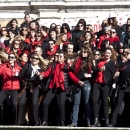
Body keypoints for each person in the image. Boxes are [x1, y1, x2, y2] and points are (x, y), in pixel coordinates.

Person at [37, 51, 84, 126]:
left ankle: (62, 121)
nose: (58, 57)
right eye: (58, 56)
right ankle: (45, 121)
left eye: (60, 56)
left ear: (64, 58)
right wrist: (41, 74)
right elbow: (47, 73)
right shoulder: (53, 65)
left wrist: (78, 81)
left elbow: (71, 76)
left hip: (62, 88)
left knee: (61, 104)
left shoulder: (66, 67)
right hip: (53, 87)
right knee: (45, 103)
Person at [17, 53, 47, 126]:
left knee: (34, 103)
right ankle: (19, 122)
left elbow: (41, 80)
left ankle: (36, 122)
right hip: (27, 86)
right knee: (21, 102)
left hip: (36, 86)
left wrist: (40, 77)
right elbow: (21, 75)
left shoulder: (41, 69)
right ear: (31, 59)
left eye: (36, 58)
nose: (35, 60)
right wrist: (17, 74)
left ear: (39, 60)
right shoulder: (27, 66)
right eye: (33, 58)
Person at [92, 48, 116, 127]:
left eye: (109, 53)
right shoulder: (99, 61)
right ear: (104, 53)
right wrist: (99, 69)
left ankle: (106, 121)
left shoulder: (112, 63)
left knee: (105, 102)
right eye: (106, 53)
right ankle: (96, 120)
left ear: (111, 54)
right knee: (94, 100)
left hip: (105, 84)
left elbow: (112, 75)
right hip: (97, 83)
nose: (107, 54)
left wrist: (113, 82)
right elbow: (94, 69)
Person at [70, 45, 93, 127]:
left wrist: (90, 75)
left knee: (87, 103)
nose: (83, 53)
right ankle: (74, 122)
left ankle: (89, 122)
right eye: (82, 51)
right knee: (76, 103)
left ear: (88, 53)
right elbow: (71, 72)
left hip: (86, 83)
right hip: (78, 83)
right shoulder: (76, 60)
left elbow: (94, 73)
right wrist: (77, 81)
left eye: (85, 52)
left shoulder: (90, 61)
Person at [110, 49, 130, 127]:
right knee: (117, 104)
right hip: (122, 87)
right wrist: (115, 80)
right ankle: (113, 122)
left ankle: (127, 122)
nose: (126, 55)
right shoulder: (123, 64)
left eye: (128, 53)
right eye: (126, 54)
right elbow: (119, 76)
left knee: (128, 106)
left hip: (129, 87)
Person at [0, 52, 21, 125]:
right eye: (9, 57)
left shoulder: (18, 67)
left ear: (15, 59)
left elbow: (22, 75)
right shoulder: (4, 66)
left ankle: (12, 122)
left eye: (12, 57)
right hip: (5, 88)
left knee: (13, 105)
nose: (10, 58)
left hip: (14, 89)